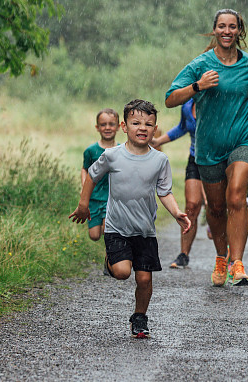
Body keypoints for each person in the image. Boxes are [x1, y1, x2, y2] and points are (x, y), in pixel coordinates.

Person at [165, 8, 248, 287]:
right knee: (216, 207)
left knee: (236, 196)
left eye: (232, 27)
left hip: (245, 138)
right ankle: (221, 258)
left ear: (239, 31)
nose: (227, 31)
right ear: (215, 30)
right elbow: (170, 98)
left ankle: (238, 263)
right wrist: (198, 86)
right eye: (221, 26)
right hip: (209, 146)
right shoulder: (200, 64)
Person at [69, 100, 190, 338]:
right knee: (123, 272)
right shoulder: (112, 155)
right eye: (136, 123)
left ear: (155, 129)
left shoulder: (159, 160)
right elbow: (92, 177)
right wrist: (84, 205)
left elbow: (164, 192)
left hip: (145, 230)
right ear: (125, 126)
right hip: (116, 228)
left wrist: (176, 213)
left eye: (148, 124)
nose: (142, 128)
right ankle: (111, 261)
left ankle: (140, 317)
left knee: (144, 279)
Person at [150, 98, 208, 269]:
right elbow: (183, 127)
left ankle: (226, 257)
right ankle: (184, 254)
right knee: (191, 206)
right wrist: (158, 141)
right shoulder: (188, 105)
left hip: (218, 159)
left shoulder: (217, 101)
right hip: (195, 159)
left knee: (217, 208)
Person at [82, 108, 120, 241]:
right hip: (94, 197)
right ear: (97, 127)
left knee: (108, 231)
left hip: (112, 198)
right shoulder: (91, 151)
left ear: (119, 126)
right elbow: (85, 169)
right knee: (94, 235)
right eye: (103, 125)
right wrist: (84, 187)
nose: (107, 128)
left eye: (111, 124)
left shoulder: (121, 150)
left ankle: (110, 257)